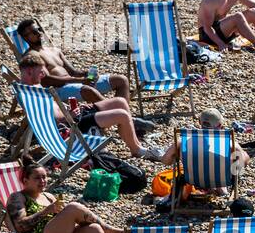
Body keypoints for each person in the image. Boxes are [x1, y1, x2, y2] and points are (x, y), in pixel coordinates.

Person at [17, 53, 163, 160]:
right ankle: (137, 149)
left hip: (71, 117)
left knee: (120, 102)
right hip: (71, 127)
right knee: (122, 114)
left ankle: (133, 141)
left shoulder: (30, 88)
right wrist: (70, 114)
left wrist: (68, 110)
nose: (44, 74)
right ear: (30, 72)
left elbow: (51, 112)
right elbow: (53, 120)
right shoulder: (31, 93)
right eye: (41, 71)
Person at [14, 18, 131, 104]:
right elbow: (46, 81)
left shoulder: (54, 50)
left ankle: (122, 115)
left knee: (121, 80)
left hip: (75, 83)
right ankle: (122, 117)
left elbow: (74, 72)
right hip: (58, 90)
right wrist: (79, 81)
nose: (39, 33)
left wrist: (88, 74)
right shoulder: (32, 56)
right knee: (88, 90)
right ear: (26, 37)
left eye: (39, 29)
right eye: (34, 32)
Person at [155, 108, 249, 204]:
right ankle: (220, 186)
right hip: (221, 179)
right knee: (236, 157)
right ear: (220, 125)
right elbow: (243, 163)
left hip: (192, 179)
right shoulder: (229, 143)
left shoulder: (182, 141)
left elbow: (165, 161)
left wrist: (178, 155)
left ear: (199, 122)